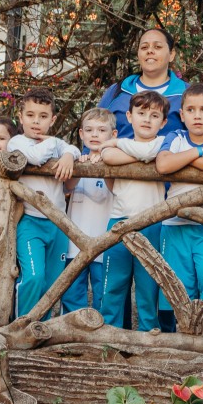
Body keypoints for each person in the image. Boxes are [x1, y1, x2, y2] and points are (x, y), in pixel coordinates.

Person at [155, 83, 203, 332]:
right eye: (190, 109)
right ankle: (178, 333)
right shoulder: (175, 138)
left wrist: (185, 160)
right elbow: (164, 165)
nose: (197, 115)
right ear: (182, 114)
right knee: (176, 282)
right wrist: (200, 152)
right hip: (174, 224)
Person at [97, 91, 169, 331]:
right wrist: (134, 157)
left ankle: (149, 333)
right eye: (141, 113)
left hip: (152, 223)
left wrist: (117, 143)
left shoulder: (164, 144)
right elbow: (107, 157)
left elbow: (149, 152)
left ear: (164, 122)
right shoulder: (117, 149)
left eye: (154, 115)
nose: (147, 119)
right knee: (114, 283)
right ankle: (110, 334)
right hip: (119, 220)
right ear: (129, 116)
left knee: (148, 285)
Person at [7, 88, 78, 318]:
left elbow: (74, 150)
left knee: (51, 282)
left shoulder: (56, 144)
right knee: (34, 277)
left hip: (58, 224)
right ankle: (23, 324)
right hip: (30, 222)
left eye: (43, 116)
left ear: (53, 119)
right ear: (20, 116)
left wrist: (67, 155)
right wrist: (57, 143)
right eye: (30, 115)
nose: (36, 121)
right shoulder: (16, 142)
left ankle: (43, 327)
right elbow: (36, 157)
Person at [62, 108, 115, 314]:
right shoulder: (76, 162)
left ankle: (101, 338)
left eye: (102, 130)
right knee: (72, 292)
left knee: (105, 293)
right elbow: (67, 187)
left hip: (105, 242)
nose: (95, 134)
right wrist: (79, 167)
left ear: (113, 135)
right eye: (89, 130)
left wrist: (103, 165)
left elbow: (115, 189)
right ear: (81, 134)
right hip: (75, 243)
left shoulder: (117, 162)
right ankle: (73, 332)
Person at [98, 28, 188, 139]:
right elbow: (95, 129)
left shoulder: (186, 94)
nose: (150, 51)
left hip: (169, 156)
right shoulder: (118, 90)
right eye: (144, 47)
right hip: (117, 155)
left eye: (157, 47)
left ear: (171, 54)